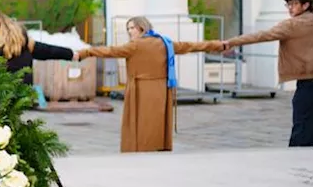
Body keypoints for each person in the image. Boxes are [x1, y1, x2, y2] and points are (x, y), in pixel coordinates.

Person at [76, 17, 224, 153]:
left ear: (141, 27)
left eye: (131, 28)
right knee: (156, 120)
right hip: (161, 88)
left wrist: (85, 52)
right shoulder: (164, 42)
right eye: (128, 28)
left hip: (140, 89)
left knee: (140, 123)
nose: (129, 31)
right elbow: (191, 46)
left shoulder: (135, 45)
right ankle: (157, 146)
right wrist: (218, 45)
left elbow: (109, 51)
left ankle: (140, 150)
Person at [222, 0, 314, 146]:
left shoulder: (291, 25)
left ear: (305, 5)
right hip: (307, 81)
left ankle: (296, 163)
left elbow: (261, 36)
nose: (291, 8)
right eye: (288, 4)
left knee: (301, 127)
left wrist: (231, 42)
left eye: (294, 4)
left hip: (307, 83)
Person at [0, 10, 74, 84]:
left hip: (3, 95)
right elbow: (48, 50)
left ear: (1, 25)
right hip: (23, 94)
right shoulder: (24, 42)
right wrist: (71, 54)